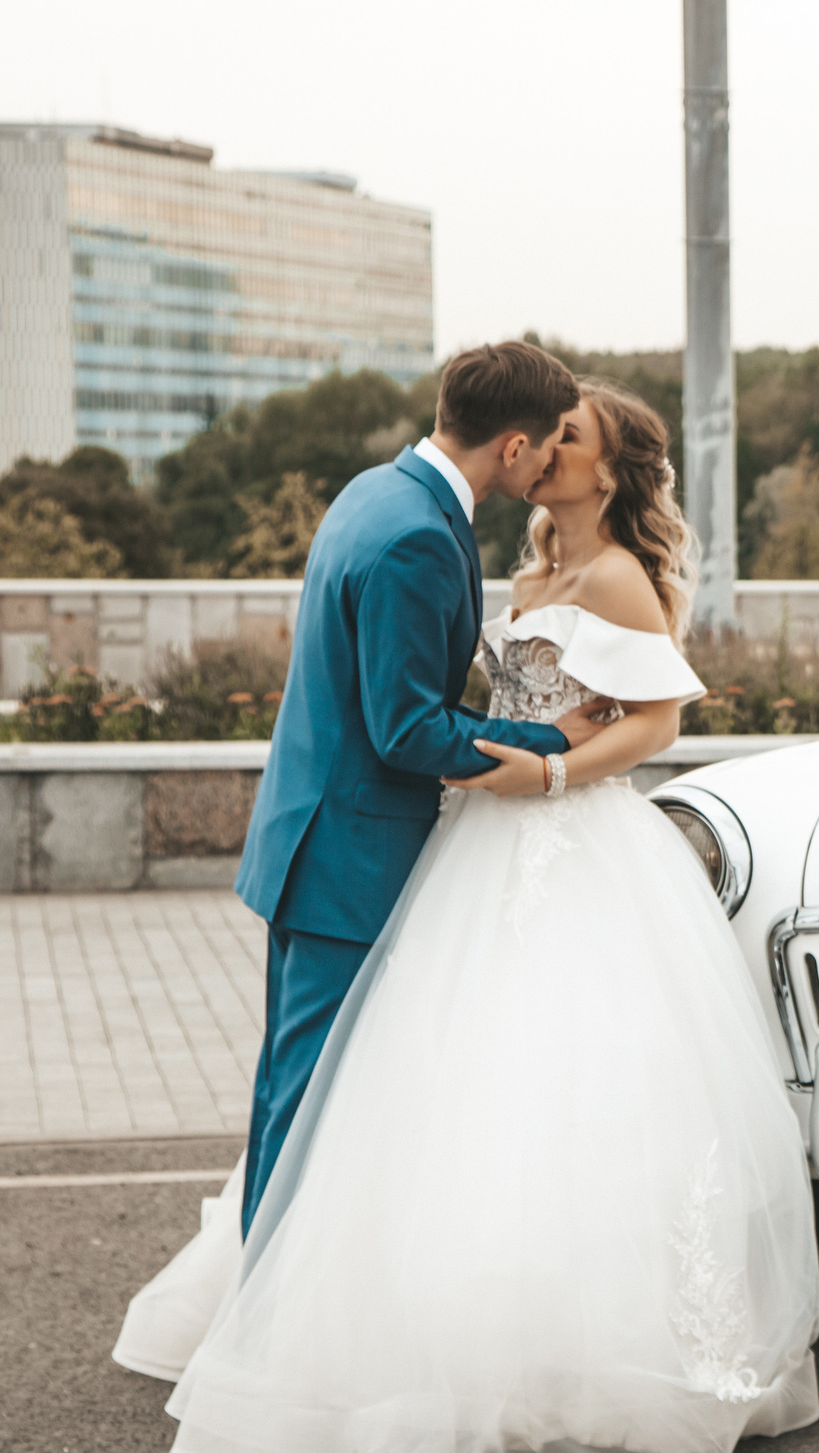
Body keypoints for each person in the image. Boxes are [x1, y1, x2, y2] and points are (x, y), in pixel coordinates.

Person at [114, 380, 819, 1453]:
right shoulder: (524, 566)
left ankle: (557, 1346)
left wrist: (548, 768)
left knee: (554, 1087)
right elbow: (436, 706)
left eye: (571, 442)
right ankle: (320, 1312)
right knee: (417, 1084)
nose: (545, 458)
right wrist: (522, 740)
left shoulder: (621, 578)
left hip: (568, 842)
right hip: (470, 845)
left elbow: (656, 722)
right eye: (544, 438)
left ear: (609, 470)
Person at [230, 342, 608, 1234]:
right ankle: (261, 1326)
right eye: (549, 442)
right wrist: (549, 737)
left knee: (299, 1086)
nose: (555, 460)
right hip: (346, 859)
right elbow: (406, 732)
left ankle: (268, 1302)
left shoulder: (377, 490)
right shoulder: (417, 539)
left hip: (313, 838)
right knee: (312, 1095)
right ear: (511, 447)